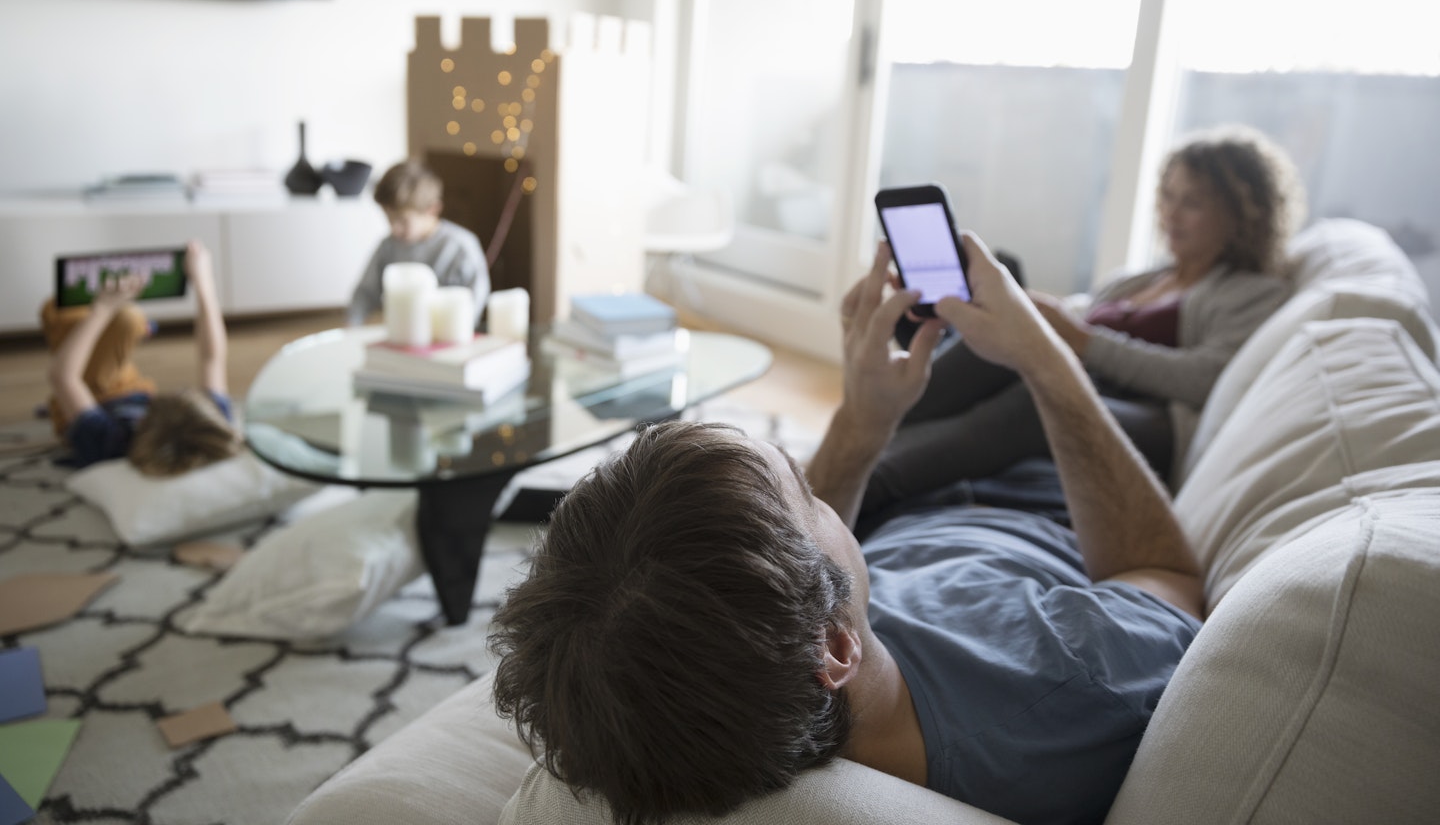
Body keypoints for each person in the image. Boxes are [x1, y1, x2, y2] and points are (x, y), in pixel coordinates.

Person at [490, 234, 1205, 825]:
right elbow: (1167, 576)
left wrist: (866, 421)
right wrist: (1047, 354)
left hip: (911, 522)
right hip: (1038, 501)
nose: (816, 488)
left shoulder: (726, 675)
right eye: (805, 492)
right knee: (1009, 357)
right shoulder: (1065, 679)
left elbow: (783, 585)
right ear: (835, 646)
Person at [864, 125, 1306, 516]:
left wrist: (1081, 340)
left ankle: (872, 479)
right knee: (997, 318)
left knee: (1039, 396)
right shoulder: (1142, 279)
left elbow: (1204, 379)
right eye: (1168, 196)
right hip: (1083, 373)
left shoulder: (1252, 291)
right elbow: (1080, 318)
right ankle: (870, 433)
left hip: (1149, 419)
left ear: (1242, 215)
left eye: (1191, 202)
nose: (1171, 214)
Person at [44, 240, 242, 474]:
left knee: (56, 310)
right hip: (133, 389)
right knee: (125, 325)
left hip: (89, 398)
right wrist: (202, 281)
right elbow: (211, 357)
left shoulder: (110, 441)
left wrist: (103, 308)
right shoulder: (209, 429)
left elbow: (63, 377)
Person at [347, 159, 491, 328]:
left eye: (402, 220)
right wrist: (352, 325)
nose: (394, 229)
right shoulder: (389, 246)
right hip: (400, 336)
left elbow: (475, 299)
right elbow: (365, 292)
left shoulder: (461, 247)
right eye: (389, 219)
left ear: (432, 209)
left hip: (445, 338)